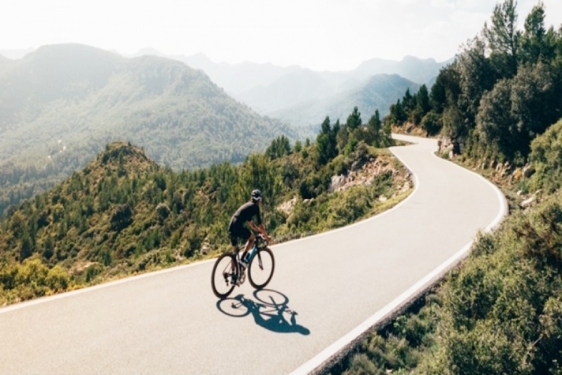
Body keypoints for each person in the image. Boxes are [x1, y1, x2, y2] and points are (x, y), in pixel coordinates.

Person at [228, 189, 272, 266]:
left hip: (231, 225)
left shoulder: (248, 205)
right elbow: (261, 226)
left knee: (235, 253)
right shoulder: (255, 207)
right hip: (237, 226)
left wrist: (259, 231)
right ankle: (242, 259)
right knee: (252, 238)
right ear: (259, 199)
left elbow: (251, 224)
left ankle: (233, 275)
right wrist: (267, 237)